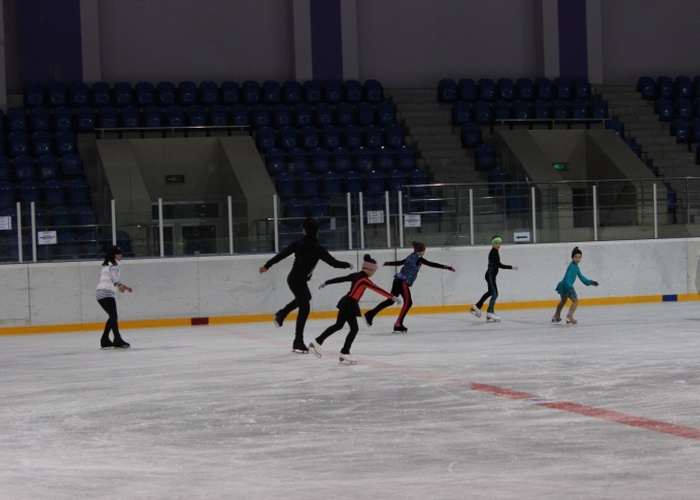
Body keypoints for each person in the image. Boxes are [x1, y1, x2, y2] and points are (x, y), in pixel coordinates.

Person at [259, 217, 353, 353]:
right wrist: (347, 265)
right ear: (316, 232)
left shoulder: (298, 244)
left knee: (306, 298)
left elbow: (281, 255)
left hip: (294, 279)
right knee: (305, 307)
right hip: (298, 281)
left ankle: (282, 314)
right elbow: (333, 263)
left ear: (304, 231)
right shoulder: (318, 248)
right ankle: (297, 340)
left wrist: (267, 265)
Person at [309, 254, 400, 363]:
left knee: (338, 325)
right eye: (374, 271)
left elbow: (341, 279)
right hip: (350, 303)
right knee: (354, 329)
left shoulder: (355, 275)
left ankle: (317, 341)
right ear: (370, 269)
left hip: (345, 301)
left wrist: (326, 282)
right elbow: (377, 289)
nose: (373, 274)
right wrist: (392, 297)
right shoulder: (364, 280)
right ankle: (345, 352)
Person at [363, 241, 455, 333]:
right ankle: (398, 324)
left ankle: (370, 314)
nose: (424, 252)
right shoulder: (419, 258)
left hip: (397, 280)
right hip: (403, 282)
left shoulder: (411, 256)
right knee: (408, 302)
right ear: (422, 250)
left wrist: (389, 263)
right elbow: (431, 264)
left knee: (390, 301)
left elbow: (400, 262)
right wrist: (447, 267)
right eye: (424, 250)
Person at [470, 236, 518, 322]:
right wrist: (511, 267)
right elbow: (499, 265)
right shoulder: (493, 253)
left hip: (490, 275)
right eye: (496, 243)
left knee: (490, 292)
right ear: (492, 244)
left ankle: (476, 307)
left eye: (499, 243)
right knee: (495, 294)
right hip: (490, 276)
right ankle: (490, 312)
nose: (498, 245)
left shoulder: (495, 252)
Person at [96, 245, 133, 348]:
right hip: (107, 292)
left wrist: (124, 286)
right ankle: (117, 339)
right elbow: (113, 276)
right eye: (118, 254)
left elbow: (109, 278)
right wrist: (119, 284)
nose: (120, 256)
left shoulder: (107, 265)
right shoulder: (114, 265)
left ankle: (105, 339)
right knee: (113, 316)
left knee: (112, 316)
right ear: (114, 255)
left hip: (99, 293)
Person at [552, 246, 599, 324]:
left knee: (563, 301)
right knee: (576, 301)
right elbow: (568, 277)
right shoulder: (572, 266)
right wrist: (569, 287)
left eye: (579, 257)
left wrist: (591, 282)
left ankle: (556, 316)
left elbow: (582, 277)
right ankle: (569, 317)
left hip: (562, 285)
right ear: (572, 257)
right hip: (567, 285)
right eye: (576, 257)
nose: (578, 259)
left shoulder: (575, 267)